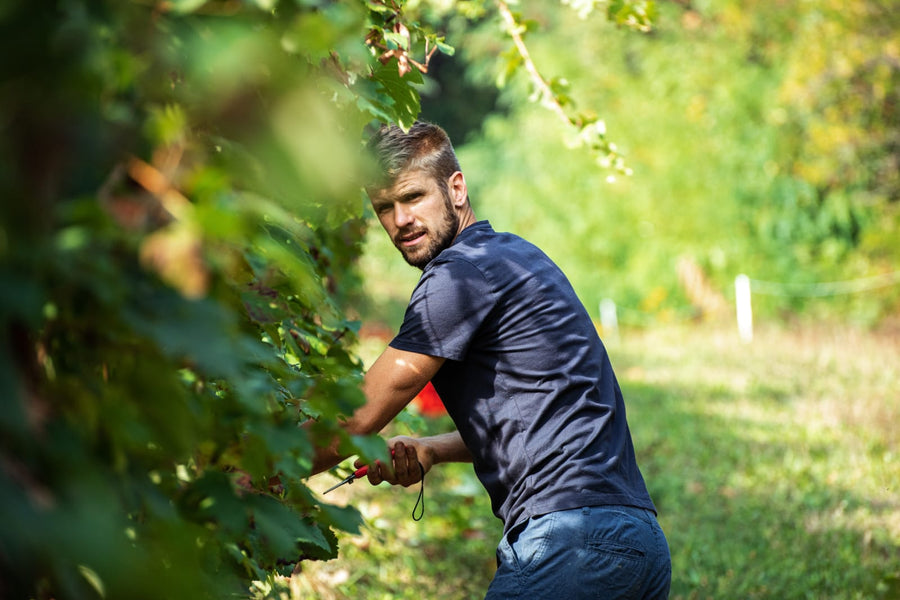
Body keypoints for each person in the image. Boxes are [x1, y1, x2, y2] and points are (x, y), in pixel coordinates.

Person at [311, 121, 671, 599]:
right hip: (636, 546)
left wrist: (259, 473)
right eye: (384, 208)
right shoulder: (514, 256)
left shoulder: (457, 276)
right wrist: (433, 448)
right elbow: (542, 411)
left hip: (572, 544)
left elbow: (358, 414)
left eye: (413, 197)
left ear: (456, 188)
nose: (400, 220)